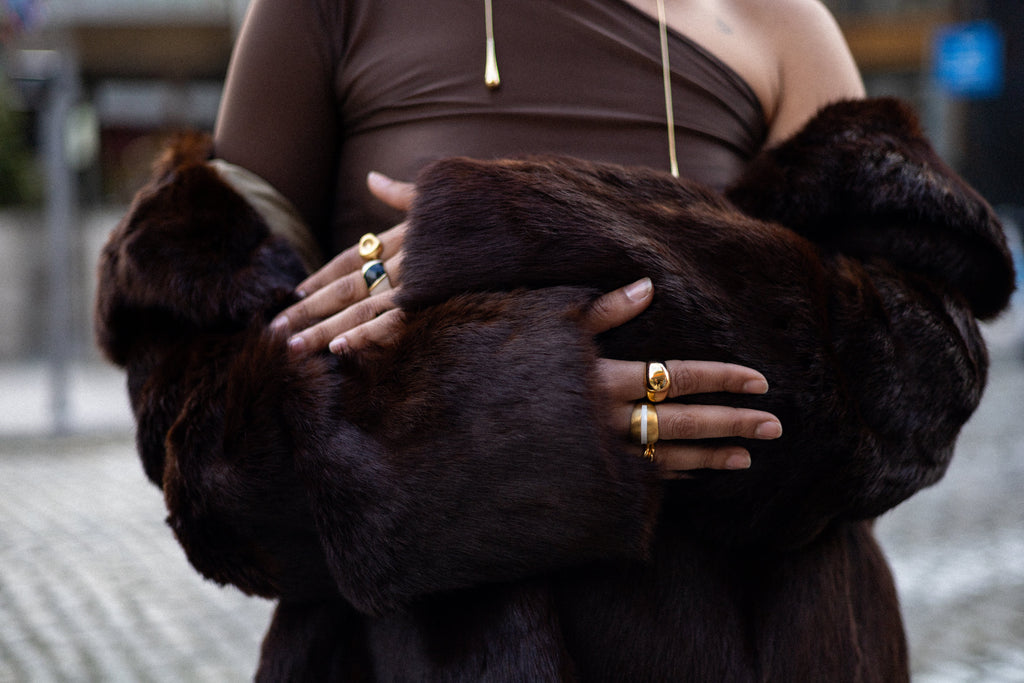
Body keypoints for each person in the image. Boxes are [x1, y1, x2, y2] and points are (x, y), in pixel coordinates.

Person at [101, 0, 1013, 680]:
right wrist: (506, 420)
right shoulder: (329, 10)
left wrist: (550, 223)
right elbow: (198, 439)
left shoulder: (777, 21)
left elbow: (917, 372)